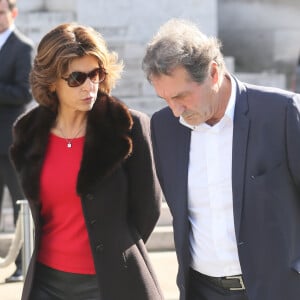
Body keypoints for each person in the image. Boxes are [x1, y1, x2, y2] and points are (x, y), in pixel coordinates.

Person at [142, 18, 300, 300]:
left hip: (279, 290)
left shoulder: (282, 113)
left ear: (213, 73)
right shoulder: (164, 127)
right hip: (202, 291)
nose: (176, 111)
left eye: (181, 96)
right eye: (165, 99)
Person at [10, 23, 163, 300]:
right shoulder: (28, 132)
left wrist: (115, 250)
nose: (89, 86)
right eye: (76, 78)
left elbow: (147, 210)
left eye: (96, 74)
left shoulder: (130, 127)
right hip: (46, 284)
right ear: (51, 81)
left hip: (113, 283)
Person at [0, 0, 34, 282]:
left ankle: (24, 264)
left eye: (0, 11)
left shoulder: (23, 47)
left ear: (13, 13)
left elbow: (24, 93)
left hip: (10, 142)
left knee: (20, 203)